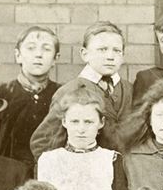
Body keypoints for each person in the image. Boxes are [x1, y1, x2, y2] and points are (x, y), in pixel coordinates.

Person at [30, 21, 134, 159]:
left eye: (117, 50)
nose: (110, 56)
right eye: (102, 49)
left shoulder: (129, 89)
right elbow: (42, 143)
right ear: (85, 54)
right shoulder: (70, 90)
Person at [0, 25, 61, 170]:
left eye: (46, 49)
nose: (38, 54)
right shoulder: (1, 95)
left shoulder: (62, 95)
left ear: (55, 58)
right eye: (31, 48)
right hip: (8, 175)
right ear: (18, 55)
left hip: (50, 173)